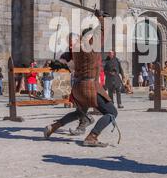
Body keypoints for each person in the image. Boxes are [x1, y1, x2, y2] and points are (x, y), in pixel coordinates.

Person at [44, 10, 118, 147]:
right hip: (90, 88)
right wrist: (101, 17)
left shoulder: (76, 49)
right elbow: (102, 31)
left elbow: (68, 64)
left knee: (79, 112)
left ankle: (52, 128)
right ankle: (92, 136)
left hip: (77, 89)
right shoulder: (90, 47)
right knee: (112, 112)